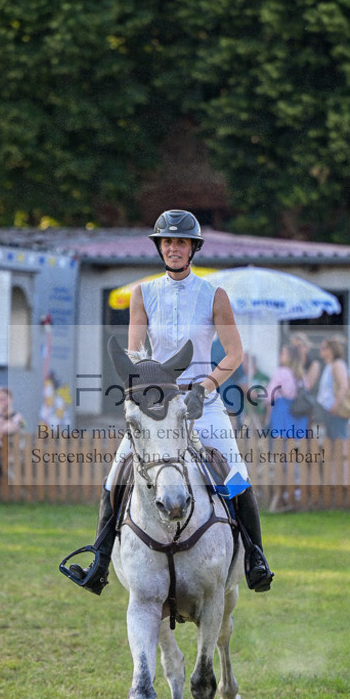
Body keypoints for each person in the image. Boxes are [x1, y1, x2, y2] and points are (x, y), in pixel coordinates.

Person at [62, 208, 274, 596]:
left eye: (181, 242)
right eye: (167, 242)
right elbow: (135, 353)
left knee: (235, 474)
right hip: (156, 406)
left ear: (193, 248)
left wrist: (204, 387)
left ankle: (256, 559)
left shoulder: (215, 295)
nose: (174, 248)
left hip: (202, 401)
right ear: (159, 247)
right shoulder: (143, 294)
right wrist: (146, 392)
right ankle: (100, 562)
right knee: (116, 476)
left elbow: (234, 353)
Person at [317, 337, 350, 441]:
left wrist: (335, 406)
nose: (320, 350)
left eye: (323, 348)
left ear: (331, 349)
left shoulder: (337, 364)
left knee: (339, 441)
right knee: (332, 442)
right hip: (329, 410)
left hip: (336, 411)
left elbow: (344, 386)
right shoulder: (330, 366)